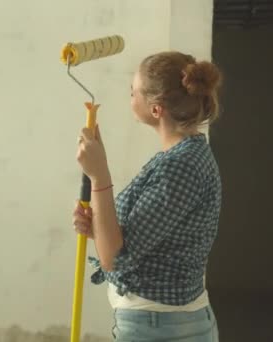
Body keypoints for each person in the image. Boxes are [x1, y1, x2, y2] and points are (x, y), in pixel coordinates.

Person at [73, 51, 222, 341]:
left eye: (133, 93)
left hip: (160, 327)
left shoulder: (179, 167)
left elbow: (115, 259)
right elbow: (143, 240)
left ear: (156, 109)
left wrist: (99, 175)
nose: (129, 98)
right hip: (165, 323)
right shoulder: (185, 155)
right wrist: (99, 230)